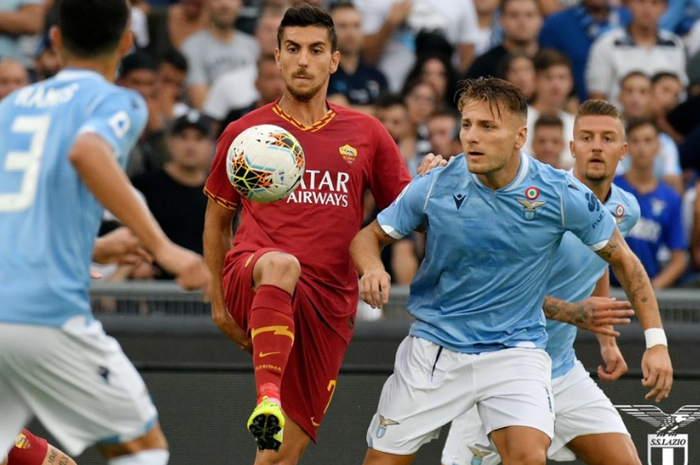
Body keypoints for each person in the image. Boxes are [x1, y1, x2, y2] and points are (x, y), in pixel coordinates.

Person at [350, 78, 673, 465]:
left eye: (487, 127)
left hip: (515, 352)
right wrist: (371, 268)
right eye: (467, 125)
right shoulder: (435, 184)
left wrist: (655, 342)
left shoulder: (561, 194)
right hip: (434, 349)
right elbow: (367, 238)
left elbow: (621, 260)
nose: (472, 137)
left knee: (526, 456)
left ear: (520, 136)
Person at [0, 2, 211, 465]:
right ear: (127, 42)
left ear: (54, 41)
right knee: (142, 449)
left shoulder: (11, 107)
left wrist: (94, 247)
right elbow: (88, 151)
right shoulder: (117, 101)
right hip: (45, 313)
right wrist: (166, 250)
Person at [202, 4, 414, 464]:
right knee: (281, 262)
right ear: (276, 56)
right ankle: (268, 397)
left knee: (278, 455)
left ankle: (273, 411)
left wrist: (429, 183)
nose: (303, 60)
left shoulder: (367, 133)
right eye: (292, 49)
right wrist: (218, 303)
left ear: (334, 60)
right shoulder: (246, 132)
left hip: (328, 304)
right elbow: (218, 219)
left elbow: (405, 211)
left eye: (316, 50)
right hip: (257, 277)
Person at [441, 99, 647, 465]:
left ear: (623, 151)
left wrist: (605, 339)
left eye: (607, 138)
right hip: (497, 368)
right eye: (586, 137)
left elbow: (601, 260)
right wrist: (569, 312)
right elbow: (497, 292)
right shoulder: (539, 205)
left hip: (561, 370)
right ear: (572, 147)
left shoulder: (625, 209)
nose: (596, 146)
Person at [613, 118, 688, 289]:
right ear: (626, 147)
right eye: (636, 141)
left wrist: (649, 290)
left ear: (658, 147)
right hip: (607, 289)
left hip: (647, 285)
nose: (642, 148)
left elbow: (679, 260)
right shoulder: (610, 190)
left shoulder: (671, 198)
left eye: (648, 141)